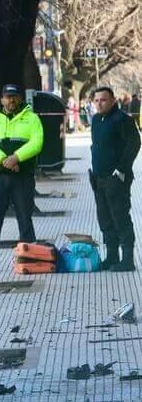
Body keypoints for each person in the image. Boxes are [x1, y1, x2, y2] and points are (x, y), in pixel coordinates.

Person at [0, 84, 44, 273]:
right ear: (1, 100)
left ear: (20, 98)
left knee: (25, 218)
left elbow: (37, 143)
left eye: (14, 96)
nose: (11, 100)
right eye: (7, 97)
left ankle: (30, 259)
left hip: (22, 177)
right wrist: (4, 160)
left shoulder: (32, 119)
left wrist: (17, 158)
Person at [89, 87, 141, 271]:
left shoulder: (123, 120)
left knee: (120, 218)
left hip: (116, 179)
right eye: (96, 100)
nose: (99, 103)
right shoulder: (95, 120)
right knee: (105, 219)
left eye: (103, 100)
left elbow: (135, 143)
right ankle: (112, 257)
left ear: (112, 101)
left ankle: (127, 260)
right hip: (99, 179)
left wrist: (121, 169)